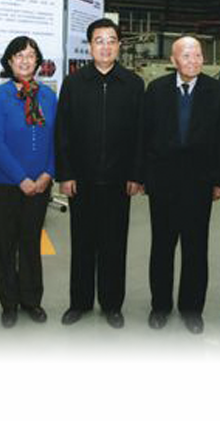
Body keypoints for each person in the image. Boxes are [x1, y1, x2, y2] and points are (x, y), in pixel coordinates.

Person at [55, 18, 145, 329]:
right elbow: (63, 132)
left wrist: (136, 174)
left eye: (111, 40)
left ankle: (112, 304)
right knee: (82, 244)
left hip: (119, 181)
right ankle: (79, 302)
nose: (105, 46)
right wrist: (66, 174)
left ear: (119, 45)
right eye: (99, 40)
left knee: (114, 246)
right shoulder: (74, 83)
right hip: (82, 181)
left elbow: (140, 134)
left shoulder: (133, 84)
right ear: (90, 46)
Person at [142, 36, 220, 334]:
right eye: (187, 55)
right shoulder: (156, 90)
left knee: (196, 249)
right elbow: (145, 135)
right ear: (174, 60)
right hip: (163, 184)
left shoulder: (217, 91)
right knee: (162, 248)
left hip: (199, 184)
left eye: (198, 55)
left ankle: (192, 309)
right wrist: (146, 177)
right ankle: (160, 306)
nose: (194, 61)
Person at [0, 36, 57, 328]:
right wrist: (21, 178)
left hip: (41, 184)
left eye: (31, 55)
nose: (25, 61)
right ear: (9, 61)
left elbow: (57, 138)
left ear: (38, 61)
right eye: (19, 56)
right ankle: (9, 303)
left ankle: (31, 300)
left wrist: (48, 173)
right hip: (5, 183)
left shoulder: (48, 96)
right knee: (5, 244)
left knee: (30, 243)